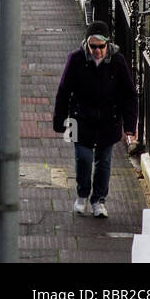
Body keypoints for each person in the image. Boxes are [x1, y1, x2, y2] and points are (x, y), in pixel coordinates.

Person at [52, 19, 138, 219]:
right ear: (87, 44)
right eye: (93, 46)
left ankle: (99, 200)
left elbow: (129, 94)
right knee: (84, 158)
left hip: (108, 120)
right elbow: (64, 91)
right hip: (81, 118)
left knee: (104, 162)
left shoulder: (117, 62)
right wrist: (60, 120)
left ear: (108, 45)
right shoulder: (75, 60)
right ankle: (82, 195)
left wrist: (130, 125)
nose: (97, 50)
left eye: (101, 46)